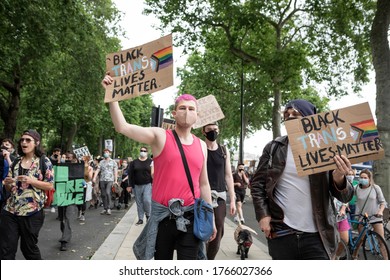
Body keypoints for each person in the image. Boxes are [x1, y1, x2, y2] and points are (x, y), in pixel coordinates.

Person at [102, 73, 216, 260]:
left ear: (197, 115)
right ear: (174, 113)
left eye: (191, 109)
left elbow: (204, 184)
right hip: (162, 218)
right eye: (182, 108)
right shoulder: (160, 136)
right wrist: (112, 96)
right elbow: (122, 127)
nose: (187, 112)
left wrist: (209, 216)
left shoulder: (202, 146)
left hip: (190, 217)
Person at [250, 99, 354, 260]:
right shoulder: (274, 148)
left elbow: (345, 196)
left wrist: (339, 176)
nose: (290, 116)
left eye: (295, 113)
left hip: (318, 237)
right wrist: (263, 215)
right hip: (282, 233)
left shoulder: (327, 148)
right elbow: (257, 184)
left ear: (309, 118)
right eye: (287, 114)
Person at [0, 129, 54, 259]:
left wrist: (31, 181)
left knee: (28, 249)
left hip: (32, 212)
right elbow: (9, 187)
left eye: (28, 140)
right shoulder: (16, 162)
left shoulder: (44, 161)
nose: (24, 142)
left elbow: (50, 185)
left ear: (36, 143)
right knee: (6, 249)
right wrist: (7, 183)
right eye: (22, 140)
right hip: (10, 210)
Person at [202, 122, 236, 260]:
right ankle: (200, 255)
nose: (213, 132)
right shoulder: (199, 147)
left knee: (219, 227)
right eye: (209, 129)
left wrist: (232, 199)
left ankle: (209, 259)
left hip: (220, 195)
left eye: (215, 129)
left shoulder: (223, 150)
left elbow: (228, 175)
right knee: (202, 226)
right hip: (202, 194)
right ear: (203, 132)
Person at [355, 169, 387, 242]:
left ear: (369, 179)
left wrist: (380, 211)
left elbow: (383, 202)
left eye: (365, 178)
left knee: (382, 241)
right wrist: (344, 206)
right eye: (361, 177)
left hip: (375, 217)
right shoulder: (356, 188)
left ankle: (385, 254)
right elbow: (347, 197)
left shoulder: (375, 188)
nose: (363, 179)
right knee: (361, 241)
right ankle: (355, 253)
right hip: (363, 218)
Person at [128, 146, 153, 225]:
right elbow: (130, 174)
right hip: (137, 185)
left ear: (147, 152)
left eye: (144, 151)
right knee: (139, 202)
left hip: (147, 184)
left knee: (147, 200)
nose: (143, 152)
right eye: (141, 150)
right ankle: (140, 218)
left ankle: (148, 215)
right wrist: (129, 185)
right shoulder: (134, 162)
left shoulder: (150, 162)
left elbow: (153, 173)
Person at [92, 148, 118, 215]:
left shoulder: (113, 162)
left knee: (107, 192)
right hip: (102, 179)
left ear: (109, 153)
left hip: (110, 179)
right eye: (105, 152)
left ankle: (109, 208)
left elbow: (115, 171)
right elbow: (98, 170)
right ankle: (105, 208)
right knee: (103, 194)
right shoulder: (101, 162)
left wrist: (116, 180)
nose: (106, 153)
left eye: (107, 152)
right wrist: (94, 177)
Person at [77, 155, 93, 221]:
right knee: (78, 200)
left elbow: (90, 178)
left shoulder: (90, 168)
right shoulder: (78, 167)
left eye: (83, 159)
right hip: (78, 184)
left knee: (83, 200)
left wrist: (87, 171)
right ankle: (79, 210)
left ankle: (83, 214)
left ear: (87, 160)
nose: (82, 160)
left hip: (85, 184)